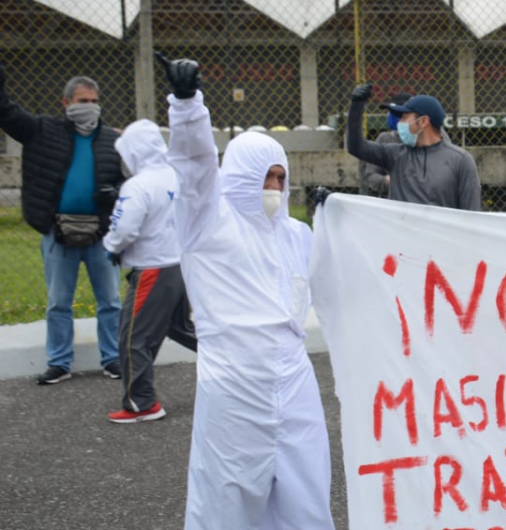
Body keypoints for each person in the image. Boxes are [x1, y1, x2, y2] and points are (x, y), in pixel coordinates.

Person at [157, 53, 334, 529]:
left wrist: (335, 219)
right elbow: (194, 168)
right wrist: (187, 107)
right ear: (238, 175)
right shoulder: (207, 222)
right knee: (228, 496)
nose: (273, 186)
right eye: (264, 176)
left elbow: (337, 274)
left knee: (306, 489)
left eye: (280, 177)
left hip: (293, 377)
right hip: (234, 382)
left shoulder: (295, 234)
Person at [0, 64, 124, 385]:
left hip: (100, 234)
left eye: (94, 101)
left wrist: (116, 193)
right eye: (82, 101)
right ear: (66, 103)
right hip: (58, 232)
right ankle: (59, 362)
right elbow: (6, 112)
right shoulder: (42, 131)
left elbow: (129, 180)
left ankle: (113, 358)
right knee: (58, 303)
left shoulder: (113, 140)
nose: (89, 107)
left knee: (110, 301)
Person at [102, 119, 198, 423]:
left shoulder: (137, 185)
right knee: (182, 328)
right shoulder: (176, 176)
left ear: (133, 151)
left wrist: (111, 246)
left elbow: (124, 230)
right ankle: (240, 364)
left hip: (152, 269)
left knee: (133, 337)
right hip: (180, 265)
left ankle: (142, 403)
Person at [345, 84, 481, 211]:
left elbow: (472, 215)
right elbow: (355, 146)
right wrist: (357, 105)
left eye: (404, 118)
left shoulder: (460, 160)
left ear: (423, 121)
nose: (400, 123)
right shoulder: (395, 155)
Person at [358, 92, 410, 197]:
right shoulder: (386, 138)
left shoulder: (425, 138)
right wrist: (386, 180)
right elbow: (371, 176)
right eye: (390, 112)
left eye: (396, 113)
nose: (390, 116)